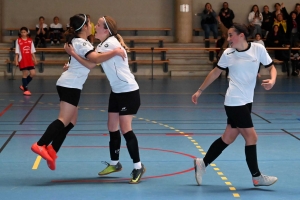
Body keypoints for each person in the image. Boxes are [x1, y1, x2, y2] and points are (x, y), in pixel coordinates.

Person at [30, 14, 125, 171]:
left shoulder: (80, 42)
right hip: (70, 85)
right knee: (63, 119)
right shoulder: (81, 43)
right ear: (85, 27)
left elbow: (89, 65)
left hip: (69, 84)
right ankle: (40, 144)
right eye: (90, 22)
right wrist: (115, 52)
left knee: (71, 122)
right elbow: (94, 59)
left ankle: (52, 150)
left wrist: (73, 59)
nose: (93, 25)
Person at [192, 23, 278, 187]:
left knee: (228, 138)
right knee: (252, 137)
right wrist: (200, 90)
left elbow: (271, 67)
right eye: (228, 35)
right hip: (234, 101)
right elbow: (216, 72)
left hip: (247, 101)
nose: (229, 38)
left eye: (231, 35)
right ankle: (256, 176)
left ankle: (202, 163)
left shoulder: (258, 49)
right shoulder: (228, 53)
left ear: (241, 36)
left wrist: (273, 80)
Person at [64, 15, 146, 184]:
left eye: (99, 25)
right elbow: (88, 59)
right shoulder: (102, 44)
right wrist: (72, 64)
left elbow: (91, 62)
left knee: (125, 129)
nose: (95, 26)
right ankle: (115, 164)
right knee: (111, 126)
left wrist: (73, 54)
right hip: (116, 91)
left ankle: (138, 166)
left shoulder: (110, 43)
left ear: (106, 29)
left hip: (128, 91)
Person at [15, 27, 37, 96]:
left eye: (24, 32)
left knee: (33, 73)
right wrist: (16, 60)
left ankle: (23, 85)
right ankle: (26, 90)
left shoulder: (30, 40)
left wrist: (35, 59)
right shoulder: (18, 40)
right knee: (25, 73)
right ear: (20, 33)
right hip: (22, 59)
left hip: (29, 59)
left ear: (27, 33)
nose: (23, 33)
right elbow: (17, 52)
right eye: (22, 32)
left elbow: (32, 51)